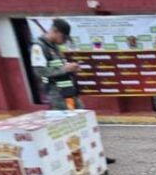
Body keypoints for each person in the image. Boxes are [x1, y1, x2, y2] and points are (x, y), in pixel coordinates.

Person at [30, 19, 115, 163]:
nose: (64, 41)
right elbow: (40, 72)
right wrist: (65, 69)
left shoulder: (54, 47)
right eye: (63, 37)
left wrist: (70, 68)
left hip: (69, 92)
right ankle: (73, 160)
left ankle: (96, 155)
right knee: (67, 128)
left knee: (83, 123)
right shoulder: (39, 47)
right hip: (58, 95)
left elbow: (57, 67)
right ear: (55, 31)